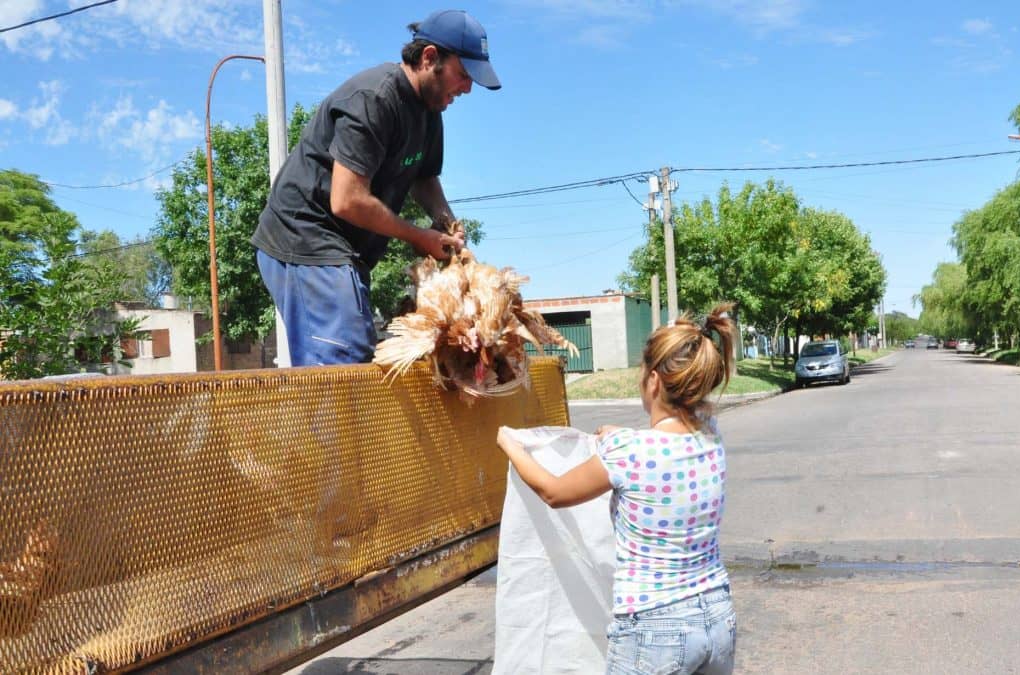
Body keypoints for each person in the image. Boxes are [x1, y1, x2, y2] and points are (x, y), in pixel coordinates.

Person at [497, 304, 739, 675]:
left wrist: (510, 446)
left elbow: (553, 492)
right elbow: (665, 437)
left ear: (654, 380)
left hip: (655, 630)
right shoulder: (710, 433)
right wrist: (619, 434)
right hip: (717, 618)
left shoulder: (629, 453)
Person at [251, 10, 501, 366]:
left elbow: (424, 177)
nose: (467, 88)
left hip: (342, 250)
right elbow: (347, 199)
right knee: (342, 354)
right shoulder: (375, 99)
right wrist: (417, 236)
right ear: (430, 58)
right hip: (303, 237)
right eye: (463, 75)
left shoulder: (430, 113)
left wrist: (448, 227)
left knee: (360, 350)